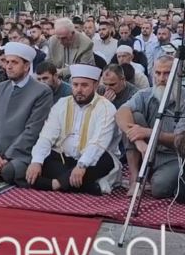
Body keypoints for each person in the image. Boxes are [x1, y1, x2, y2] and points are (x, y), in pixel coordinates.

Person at [116, 55, 185, 197]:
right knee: (134, 116)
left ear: (177, 76)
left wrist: (148, 132)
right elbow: (121, 112)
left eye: (167, 73)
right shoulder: (144, 94)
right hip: (145, 151)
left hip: (173, 157)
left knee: (159, 189)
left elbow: (182, 140)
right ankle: (134, 177)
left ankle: (152, 177)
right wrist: (138, 140)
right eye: (158, 73)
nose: (162, 78)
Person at [26, 64, 120, 195]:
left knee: (105, 161)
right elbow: (47, 136)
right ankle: (85, 186)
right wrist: (36, 162)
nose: (79, 90)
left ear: (96, 85)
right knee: (39, 161)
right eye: (75, 85)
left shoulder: (106, 108)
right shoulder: (62, 104)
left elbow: (98, 143)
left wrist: (82, 166)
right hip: (65, 159)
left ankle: (55, 184)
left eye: (84, 85)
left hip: (93, 161)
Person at [0, 42, 53, 186]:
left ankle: (2, 169)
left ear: (26, 66)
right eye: (7, 62)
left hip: (22, 154)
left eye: (14, 62)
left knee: (9, 172)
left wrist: (7, 156)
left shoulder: (42, 91)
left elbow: (32, 131)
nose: (8, 66)